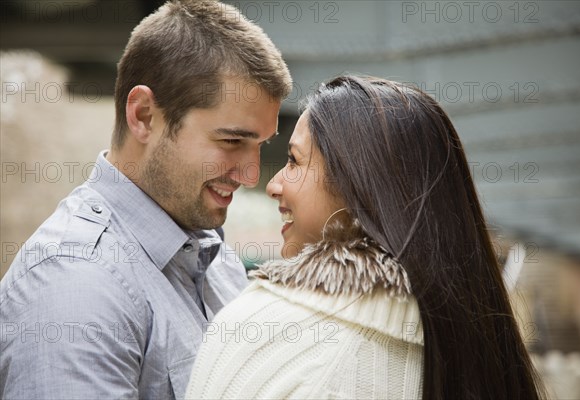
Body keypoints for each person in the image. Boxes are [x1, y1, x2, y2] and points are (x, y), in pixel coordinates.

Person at [185, 76, 547, 399]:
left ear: (357, 185)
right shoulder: (484, 348)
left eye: (294, 161)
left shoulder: (258, 327)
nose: (274, 185)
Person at [0, 1, 292, 398]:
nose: (252, 174)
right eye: (231, 141)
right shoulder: (75, 285)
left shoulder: (215, 257)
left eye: (259, 144)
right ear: (143, 116)